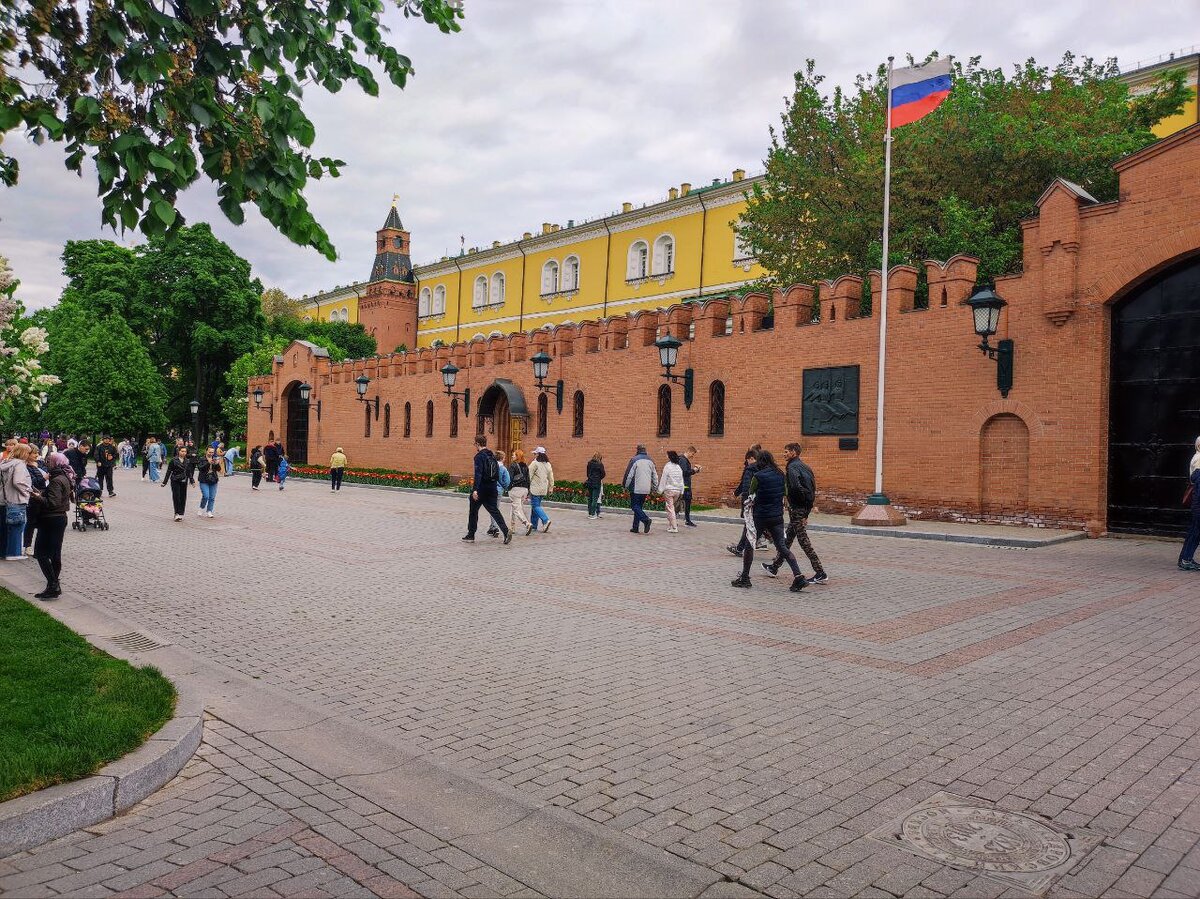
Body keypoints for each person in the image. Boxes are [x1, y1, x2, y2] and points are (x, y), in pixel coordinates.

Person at [732, 450, 806, 593]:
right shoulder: (780, 475)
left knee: (749, 545)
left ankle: (745, 578)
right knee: (782, 547)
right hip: (777, 517)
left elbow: (751, 493)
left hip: (760, 516)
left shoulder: (757, 476)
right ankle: (798, 576)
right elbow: (784, 493)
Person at [763, 442, 828, 584]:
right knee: (787, 540)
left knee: (804, 541)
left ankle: (820, 572)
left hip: (797, 509)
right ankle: (774, 567)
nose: (784, 454)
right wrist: (807, 511)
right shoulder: (805, 467)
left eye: (786, 451)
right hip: (802, 509)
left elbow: (796, 489)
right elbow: (812, 489)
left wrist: (795, 505)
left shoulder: (792, 468)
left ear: (794, 452)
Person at [32, 453, 72, 599]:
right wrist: (43, 493)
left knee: (41, 553)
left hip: (51, 519)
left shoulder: (56, 480)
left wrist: (37, 497)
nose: (46, 463)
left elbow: (52, 503)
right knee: (55, 553)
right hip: (59, 518)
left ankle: (53, 584)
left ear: (55, 463)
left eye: (49, 461)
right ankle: (52, 585)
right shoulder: (65, 477)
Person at [463, 435, 511, 543]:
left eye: (475, 443)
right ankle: (506, 531)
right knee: (494, 510)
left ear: (478, 444)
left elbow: (478, 474)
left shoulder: (479, 456)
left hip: (482, 488)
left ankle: (471, 535)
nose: (474, 445)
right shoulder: (492, 455)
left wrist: (475, 490)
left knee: (473, 511)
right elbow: (497, 473)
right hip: (492, 487)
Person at [727, 446, 766, 555]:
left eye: (747, 460)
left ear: (751, 458)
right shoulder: (763, 468)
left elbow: (746, 486)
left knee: (749, 525)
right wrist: (736, 493)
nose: (747, 462)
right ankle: (782, 552)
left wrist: (746, 502)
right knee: (761, 526)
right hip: (763, 502)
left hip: (751, 502)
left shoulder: (750, 469)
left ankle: (741, 549)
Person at [0, 444, 33, 560]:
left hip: (3, 499)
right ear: (23, 453)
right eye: (28, 453)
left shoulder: (5, 463)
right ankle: (14, 553)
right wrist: (28, 491)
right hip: (16, 499)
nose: (29, 455)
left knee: (4, 528)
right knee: (17, 526)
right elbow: (18, 481)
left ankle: (3, 552)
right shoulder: (19, 464)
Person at [622, 444, 658, 534]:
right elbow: (655, 476)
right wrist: (654, 487)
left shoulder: (634, 460)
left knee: (635, 506)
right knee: (639, 507)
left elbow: (629, 475)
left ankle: (646, 520)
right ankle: (635, 527)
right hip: (646, 488)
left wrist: (625, 485)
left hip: (636, 488)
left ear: (637, 450)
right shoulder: (651, 461)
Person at [1179, 436, 1200, 571]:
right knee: (1195, 532)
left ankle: (1185, 559)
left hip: (1197, 503)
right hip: (1199, 504)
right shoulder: (1199, 459)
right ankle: (1186, 560)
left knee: (1194, 532)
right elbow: (1197, 481)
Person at [24, 448, 47, 557]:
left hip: (43, 496)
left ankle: (40, 546)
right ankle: (27, 546)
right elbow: (32, 482)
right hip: (33, 497)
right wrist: (44, 478)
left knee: (43, 522)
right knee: (31, 522)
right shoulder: (26, 467)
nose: (36, 455)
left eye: (37, 453)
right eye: (34, 453)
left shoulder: (40, 464)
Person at [161, 445, 194, 521]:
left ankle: (181, 513)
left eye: (185, 451)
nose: (184, 453)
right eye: (182, 451)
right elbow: (169, 471)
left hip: (184, 480)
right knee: (176, 497)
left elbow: (189, 472)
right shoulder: (173, 460)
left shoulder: (187, 461)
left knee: (183, 497)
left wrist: (192, 481)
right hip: (175, 480)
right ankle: (176, 513)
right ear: (178, 451)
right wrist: (164, 482)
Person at [528, 447, 554, 535]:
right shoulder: (548, 464)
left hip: (535, 488)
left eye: (535, 454)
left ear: (538, 454)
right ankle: (534, 525)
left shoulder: (534, 463)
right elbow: (551, 478)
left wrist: (526, 487)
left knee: (535, 506)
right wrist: (551, 488)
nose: (534, 455)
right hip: (543, 489)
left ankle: (545, 520)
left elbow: (529, 476)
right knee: (536, 506)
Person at [486, 450, 511, 538]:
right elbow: (507, 481)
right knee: (495, 509)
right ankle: (495, 528)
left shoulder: (491, 466)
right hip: (498, 491)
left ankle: (492, 527)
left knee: (492, 509)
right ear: (502, 458)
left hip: (490, 490)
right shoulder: (503, 468)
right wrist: (504, 486)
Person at [507, 448, 532, 534]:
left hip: (516, 490)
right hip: (524, 490)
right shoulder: (525, 466)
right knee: (514, 507)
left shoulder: (513, 465)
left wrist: (508, 488)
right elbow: (528, 479)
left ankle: (526, 523)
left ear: (517, 456)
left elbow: (509, 479)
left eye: (513, 455)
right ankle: (511, 527)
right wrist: (528, 491)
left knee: (517, 509)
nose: (512, 456)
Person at [660, 451, 686, 533]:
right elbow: (681, 480)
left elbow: (664, 478)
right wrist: (682, 490)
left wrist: (660, 489)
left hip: (669, 490)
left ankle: (674, 527)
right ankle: (671, 526)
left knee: (670, 509)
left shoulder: (667, 466)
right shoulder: (678, 467)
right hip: (677, 490)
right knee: (671, 508)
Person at [680, 446, 702, 527]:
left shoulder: (684, 460)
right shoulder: (682, 460)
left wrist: (694, 471)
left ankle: (686, 519)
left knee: (686, 502)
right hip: (684, 485)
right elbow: (684, 472)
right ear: (688, 451)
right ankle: (687, 520)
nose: (692, 456)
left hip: (685, 484)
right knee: (686, 502)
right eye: (692, 454)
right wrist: (694, 470)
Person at [197, 447, 221, 518]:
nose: (211, 454)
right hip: (204, 480)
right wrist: (208, 463)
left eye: (212, 452)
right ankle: (201, 507)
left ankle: (209, 511)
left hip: (213, 479)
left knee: (212, 497)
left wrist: (217, 464)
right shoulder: (202, 459)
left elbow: (219, 469)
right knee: (206, 496)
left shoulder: (214, 459)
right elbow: (200, 468)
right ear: (206, 451)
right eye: (210, 452)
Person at [586, 453, 606, 520]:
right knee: (595, 499)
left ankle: (590, 513)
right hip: (597, 483)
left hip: (590, 482)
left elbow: (587, 473)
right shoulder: (600, 464)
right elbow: (603, 474)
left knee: (590, 498)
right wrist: (598, 478)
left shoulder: (589, 463)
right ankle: (593, 514)